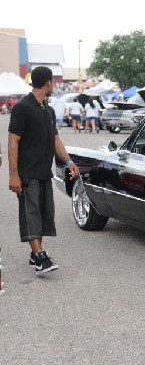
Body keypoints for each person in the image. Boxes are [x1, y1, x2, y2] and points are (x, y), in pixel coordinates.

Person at [8, 66, 79, 275]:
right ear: (48, 82)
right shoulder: (23, 107)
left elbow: (56, 139)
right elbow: (13, 140)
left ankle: (34, 252)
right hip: (27, 172)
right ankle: (40, 257)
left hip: (43, 172)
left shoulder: (48, 109)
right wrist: (14, 174)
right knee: (31, 214)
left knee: (43, 213)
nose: (54, 86)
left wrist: (68, 162)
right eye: (53, 82)